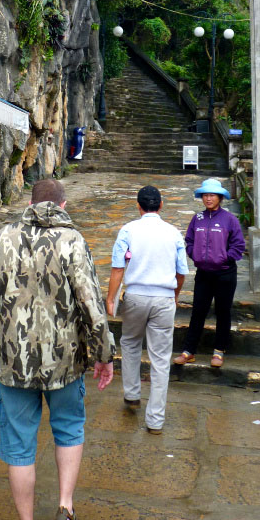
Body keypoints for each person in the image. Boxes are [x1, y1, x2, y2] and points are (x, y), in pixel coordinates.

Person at [0, 178, 114, 520]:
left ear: (30, 204)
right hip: (64, 360)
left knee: (19, 445)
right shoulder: (73, 240)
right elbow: (91, 303)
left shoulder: (3, 237)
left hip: (13, 360)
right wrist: (103, 353)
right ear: (63, 205)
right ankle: (65, 508)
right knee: (68, 428)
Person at [106, 185, 188, 434]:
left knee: (130, 343)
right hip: (164, 298)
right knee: (160, 358)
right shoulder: (173, 232)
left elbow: (118, 268)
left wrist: (110, 298)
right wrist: (174, 295)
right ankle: (155, 420)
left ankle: (132, 393)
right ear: (161, 205)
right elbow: (181, 272)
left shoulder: (128, 230)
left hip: (135, 296)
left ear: (138, 206)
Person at [173, 178, 245, 369]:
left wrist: (225, 258)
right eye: (205, 195)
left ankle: (219, 351)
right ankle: (189, 351)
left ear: (220, 197)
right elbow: (189, 241)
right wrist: (195, 254)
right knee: (198, 311)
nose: (208, 198)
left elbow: (239, 245)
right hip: (203, 274)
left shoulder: (230, 219)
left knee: (223, 311)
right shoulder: (197, 219)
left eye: (212, 195)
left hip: (225, 274)